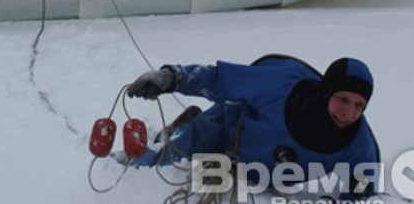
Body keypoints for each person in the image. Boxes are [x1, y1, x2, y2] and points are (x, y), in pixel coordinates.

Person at [125, 55, 380, 201]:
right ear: (326, 92)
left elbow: (360, 193)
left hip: (257, 175)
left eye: (359, 105)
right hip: (221, 130)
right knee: (161, 168)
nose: (349, 113)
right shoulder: (281, 86)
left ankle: (183, 124)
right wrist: (173, 78)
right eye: (343, 99)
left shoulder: (357, 143)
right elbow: (218, 80)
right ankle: (172, 134)